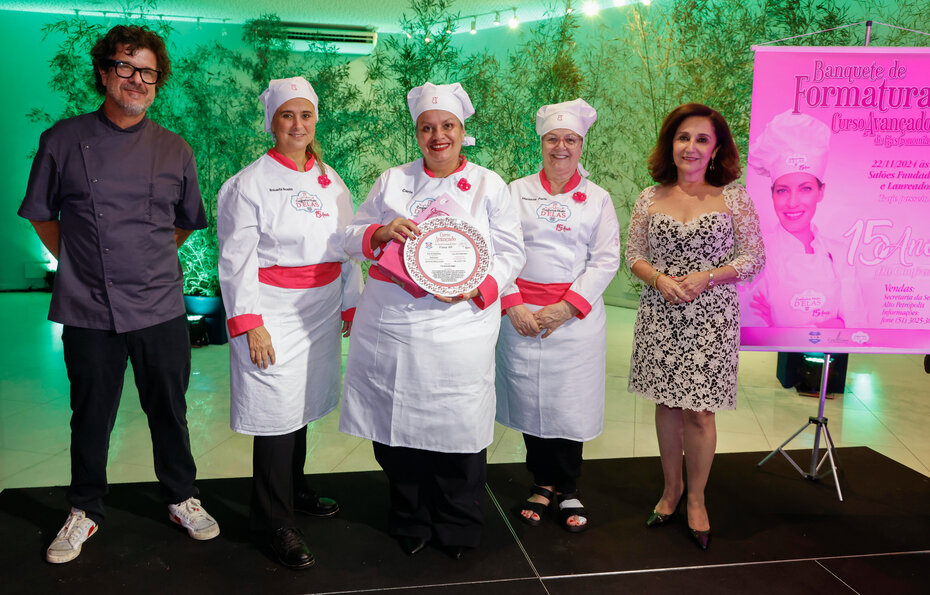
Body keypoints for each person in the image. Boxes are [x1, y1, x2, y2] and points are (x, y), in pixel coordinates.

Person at [18, 25, 219, 564]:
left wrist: (147, 262)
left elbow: (183, 224)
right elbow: (41, 214)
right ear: (105, 73)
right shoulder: (62, 140)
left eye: (148, 72)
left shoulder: (175, 149)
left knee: (169, 411)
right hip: (90, 307)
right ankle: (84, 509)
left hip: (159, 306)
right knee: (91, 414)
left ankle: (182, 496)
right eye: (126, 67)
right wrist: (84, 265)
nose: (137, 80)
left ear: (158, 82)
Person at [339, 82, 525, 559]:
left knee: (457, 429)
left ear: (463, 132)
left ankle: (458, 523)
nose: (437, 136)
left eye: (447, 126)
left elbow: (510, 252)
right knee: (395, 429)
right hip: (394, 322)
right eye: (427, 128)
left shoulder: (489, 184)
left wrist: (479, 288)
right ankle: (409, 517)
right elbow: (349, 236)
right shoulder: (392, 180)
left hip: (459, 324)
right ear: (417, 134)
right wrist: (380, 231)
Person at [217, 77, 361, 570]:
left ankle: (295, 490)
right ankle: (272, 522)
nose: (297, 125)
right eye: (287, 116)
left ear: (314, 120)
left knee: (300, 407)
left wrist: (350, 303)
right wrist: (250, 322)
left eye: (305, 115)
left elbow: (348, 244)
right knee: (275, 415)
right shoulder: (249, 183)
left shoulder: (330, 178)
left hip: (320, 310)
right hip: (272, 311)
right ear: (272, 123)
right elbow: (235, 259)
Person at [625, 103, 765, 550]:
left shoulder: (734, 197)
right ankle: (671, 491)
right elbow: (634, 256)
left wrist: (709, 275)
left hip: (711, 315)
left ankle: (697, 500)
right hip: (661, 312)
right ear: (671, 143)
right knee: (667, 404)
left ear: (716, 147)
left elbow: (754, 257)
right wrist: (660, 279)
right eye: (683, 137)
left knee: (700, 411)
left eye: (702, 139)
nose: (691, 147)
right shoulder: (650, 196)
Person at [495, 99, 620, 533]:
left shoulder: (598, 199)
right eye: (553, 139)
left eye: (570, 139)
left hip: (574, 320)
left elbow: (605, 260)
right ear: (541, 143)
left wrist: (566, 308)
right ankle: (542, 482)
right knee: (531, 400)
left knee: (569, 404)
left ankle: (567, 486)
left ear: (581, 145)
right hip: (522, 315)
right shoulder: (514, 191)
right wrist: (513, 304)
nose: (561, 147)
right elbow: (498, 251)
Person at [742, 110, 865, 328]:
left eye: (805, 188)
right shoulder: (758, 252)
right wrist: (832, 324)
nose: (792, 202)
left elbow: (856, 327)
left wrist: (782, 326)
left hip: (832, 361)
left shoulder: (838, 253)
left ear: (821, 192)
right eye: (782, 190)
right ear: (772, 194)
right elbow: (752, 329)